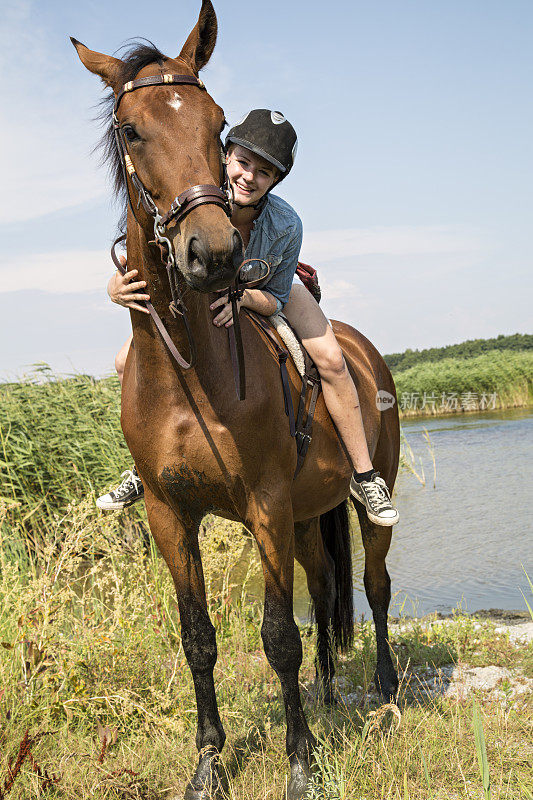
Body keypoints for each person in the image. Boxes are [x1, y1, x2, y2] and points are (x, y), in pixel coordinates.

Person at [96, 109, 399, 526]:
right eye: (242, 162)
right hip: (202, 292)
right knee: (121, 362)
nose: (248, 177)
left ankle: (365, 475)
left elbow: (275, 296)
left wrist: (243, 300)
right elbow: (149, 259)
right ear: (225, 157)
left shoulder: (286, 222)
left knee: (330, 359)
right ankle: (145, 466)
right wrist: (115, 286)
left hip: (269, 290)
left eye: (264, 172)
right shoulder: (194, 195)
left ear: (275, 181)